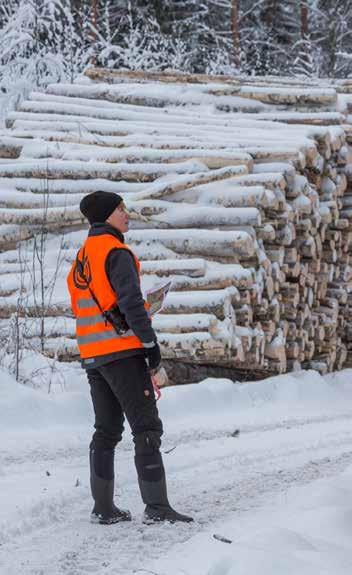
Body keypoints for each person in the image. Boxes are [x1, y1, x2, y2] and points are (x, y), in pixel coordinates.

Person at [67, 190, 193, 525]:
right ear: (107, 215)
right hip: (122, 352)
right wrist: (150, 344)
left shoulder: (81, 259)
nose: (127, 213)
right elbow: (130, 304)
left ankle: (103, 508)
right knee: (146, 427)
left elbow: (89, 306)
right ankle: (157, 507)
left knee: (106, 430)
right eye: (121, 208)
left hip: (93, 355)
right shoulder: (116, 252)